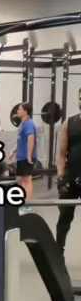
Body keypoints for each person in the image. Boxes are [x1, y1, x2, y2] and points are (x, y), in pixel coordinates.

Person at [55, 88, 81, 257]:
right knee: (65, 217)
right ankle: (58, 252)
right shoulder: (69, 123)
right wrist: (61, 177)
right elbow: (61, 153)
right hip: (71, 177)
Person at [8, 102, 37, 201]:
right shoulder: (22, 124)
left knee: (27, 179)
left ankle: (27, 204)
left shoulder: (29, 124)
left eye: (20, 109)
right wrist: (13, 150)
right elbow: (20, 140)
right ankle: (21, 200)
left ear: (26, 112)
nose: (17, 111)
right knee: (19, 179)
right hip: (21, 156)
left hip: (26, 157)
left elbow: (31, 139)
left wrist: (29, 155)